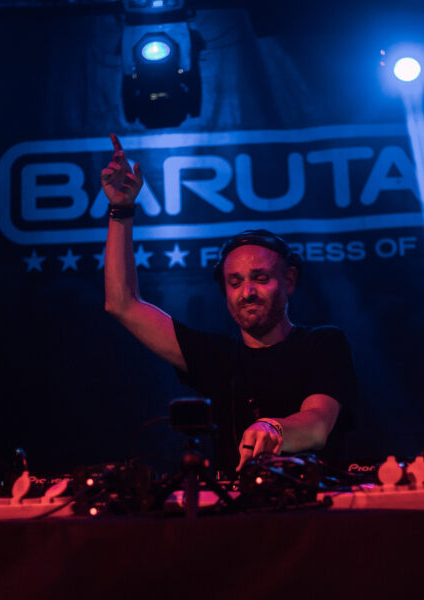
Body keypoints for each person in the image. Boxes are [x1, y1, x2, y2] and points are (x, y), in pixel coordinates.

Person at [102, 134, 357, 473]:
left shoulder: (323, 343)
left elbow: (317, 426)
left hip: (317, 501)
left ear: (289, 281)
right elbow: (122, 303)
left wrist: (272, 428)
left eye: (260, 278)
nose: (247, 291)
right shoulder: (216, 357)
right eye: (235, 282)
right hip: (237, 504)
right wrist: (121, 211)